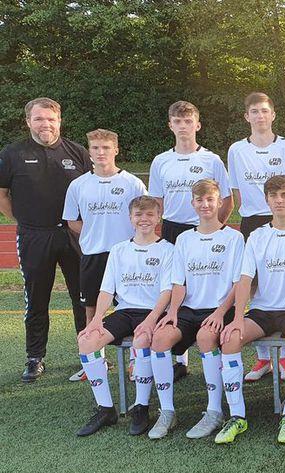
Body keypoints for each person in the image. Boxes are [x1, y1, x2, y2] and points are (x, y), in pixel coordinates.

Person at [215, 175, 285, 444]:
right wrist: (238, 318)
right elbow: (245, 278)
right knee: (230, 339)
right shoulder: (257, 236)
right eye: (273, 196)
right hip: (262, 310)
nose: (279, 200)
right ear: (267, 200)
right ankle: (237, 416)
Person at [0, 97, 91, 382]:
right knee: (37, 298)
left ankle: (89, 354)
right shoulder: (12, 153)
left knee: (83, 297)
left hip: (73, 234)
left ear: (59, 121)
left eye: (51, 119)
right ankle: (35, 357)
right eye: (39, 119)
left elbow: (91, 191)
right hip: (34, 236)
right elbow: (2, 195)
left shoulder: (77, 152)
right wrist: (25, 220)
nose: (45, 124)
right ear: (28, 121)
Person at [146, 179, 244, 439]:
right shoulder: (184, 239)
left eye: (210, 199)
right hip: (188, 309)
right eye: (200, 200)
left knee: (205, 337)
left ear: (220, 202)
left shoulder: (234, 238)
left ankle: (214, 411)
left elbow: (238, 283)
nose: (205, 205)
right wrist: (172, 311)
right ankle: (167, 411)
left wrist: (220, 313)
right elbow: (179, 282)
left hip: (220, 308)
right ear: (193, 203)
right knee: (160, 338)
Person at [73, 196, 174, 436]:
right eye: (138, 214)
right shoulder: (119, 250)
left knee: (142, 340)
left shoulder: (167, 249)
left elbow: (167, 291)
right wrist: (96, 319)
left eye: (149, 214)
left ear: (158, 218)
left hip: (153, 312)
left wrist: (151, 320)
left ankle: (141, 406)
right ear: (130, 218)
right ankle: (106, 409)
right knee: (87, 341)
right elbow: (107, 290)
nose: (144, 219)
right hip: (124, 312)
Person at [148, 100, 233, 380]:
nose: (183, 126)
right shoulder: (161, 161)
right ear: (170, 125)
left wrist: (215, 226)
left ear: (197, 125)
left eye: (188, 121)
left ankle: (214, 348)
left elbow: (227, 199)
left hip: (205, 227)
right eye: (177, 121)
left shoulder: (211, 160)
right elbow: (157, 202)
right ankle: (180, 359)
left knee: (205, 281)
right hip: (174, 229)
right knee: (175, 286)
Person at [227, 92, 285, 382]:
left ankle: (283, 357)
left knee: (284, 279)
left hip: (282, 220)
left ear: (273, 115)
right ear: (247, 116)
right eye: (254, 111)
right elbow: (236, 191)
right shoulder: (236, 150)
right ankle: (262, 358)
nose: (260, 116)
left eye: (264, 111)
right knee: (255, 285)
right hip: (253, 220)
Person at [63, 129, 147, 382]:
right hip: (93, 255)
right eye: (96, 148)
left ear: (116, 150)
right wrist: (93, 233)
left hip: (127, 256)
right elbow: (72, 221)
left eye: (106, 148)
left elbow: (145, 216)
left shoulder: (132, 183)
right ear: (89, 151)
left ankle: (135, 361)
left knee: (132, 305)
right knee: (91, 308)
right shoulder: (78, 185)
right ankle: (95, 362)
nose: (101, 152)